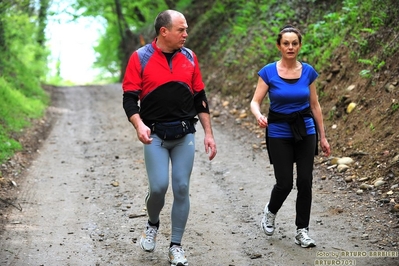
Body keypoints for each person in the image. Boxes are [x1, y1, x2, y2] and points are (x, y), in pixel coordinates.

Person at [122, 9, 217, 266]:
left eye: (186, 29)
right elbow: (129, 98)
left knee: (182, 188)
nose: (186, 34)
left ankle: (176, 246)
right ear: (164, 31)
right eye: (181, 29)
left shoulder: (190, 57)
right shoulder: (140, 58)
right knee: (158, 188)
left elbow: (200, 98)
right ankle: (152, 224)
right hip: (155, 135)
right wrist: (138, 125)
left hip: (184, 133)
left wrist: (208, 133)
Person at [250, 25, 331, 248]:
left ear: (299, 45)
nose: (290, 47)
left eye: (294, 43)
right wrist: (258, 114)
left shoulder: (308, 72)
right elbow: (255, 101)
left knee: (305, 181)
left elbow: (315, 105)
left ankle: (302, 230)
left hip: (306, 130)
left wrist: (323, 137)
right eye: (286, 43)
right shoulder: (268, 72)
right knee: (284, 183)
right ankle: (270, 211)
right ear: (279, 46)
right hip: (278, 131)